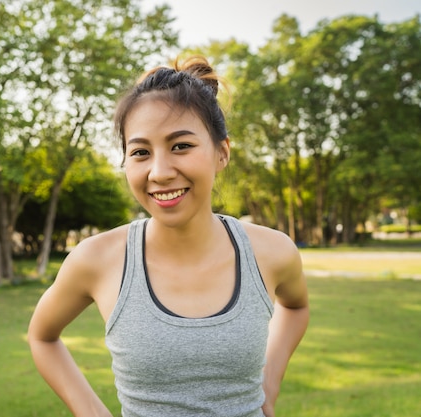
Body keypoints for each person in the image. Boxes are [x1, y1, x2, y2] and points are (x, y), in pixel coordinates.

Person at [28, 55, 309, 417]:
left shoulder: (272, 251)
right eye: (141, 152)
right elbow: (42, 336)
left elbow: (297, 307)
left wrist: (268, 387)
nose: (159, 172)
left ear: (221, 153)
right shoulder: (96, 260)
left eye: (181, 146)